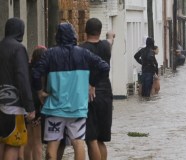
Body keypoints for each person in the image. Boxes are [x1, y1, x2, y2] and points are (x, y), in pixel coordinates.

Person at [32, 22, 109, 160]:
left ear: (58, 37)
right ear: (73, 35)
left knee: (53, 143)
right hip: (77, 107)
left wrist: (39, 91)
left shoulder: (50, 54)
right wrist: (92, 83)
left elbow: (35, 73)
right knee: (78, 142)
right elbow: (104, 67)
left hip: (54, 107)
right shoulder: (84, 53)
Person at [0, 17, 35, 160]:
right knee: (13, 143)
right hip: (13, 106)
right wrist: (30, 106)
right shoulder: (19, 49)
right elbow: (22, 77)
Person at [79, 18, 114, 160]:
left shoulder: (81, 49)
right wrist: (110, 35)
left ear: (85, 31)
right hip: (106, 93)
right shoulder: (106, 47)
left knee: (91, 138)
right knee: (101, 139)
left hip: (89, 95)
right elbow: (110, 40)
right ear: (99, 32)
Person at [21, 45, 47, 160]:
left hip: (26, 107)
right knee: (37, 142)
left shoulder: (26, 69)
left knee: (28, 140)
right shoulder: (43, 72)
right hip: (38, 109)